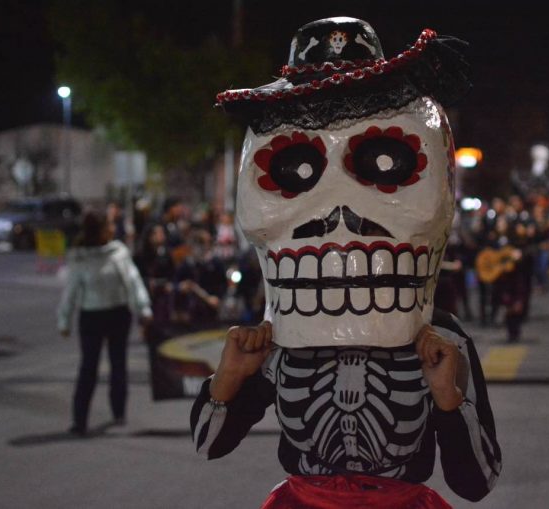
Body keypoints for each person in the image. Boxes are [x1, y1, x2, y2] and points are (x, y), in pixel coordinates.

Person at [192, 17, 500, 508]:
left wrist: (450, 398)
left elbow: (475, 483)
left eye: (386, 163)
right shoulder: (280, 341)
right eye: (292, 171)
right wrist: (229, 377)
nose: (336, 220)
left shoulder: (443, 342)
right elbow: (210, 444)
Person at [57, 210, 152, 436]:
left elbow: (133, 281)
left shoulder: (118, 252)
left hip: (118, 314)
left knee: (118, 364)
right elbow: (70, 291)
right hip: (91, 317)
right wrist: (64, 320)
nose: (112, 228)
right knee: (88, 367)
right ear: (97, 231)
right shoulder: (81, 258)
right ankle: (80, 421)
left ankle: (118, 411)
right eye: (108, 225)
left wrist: (143, 308)